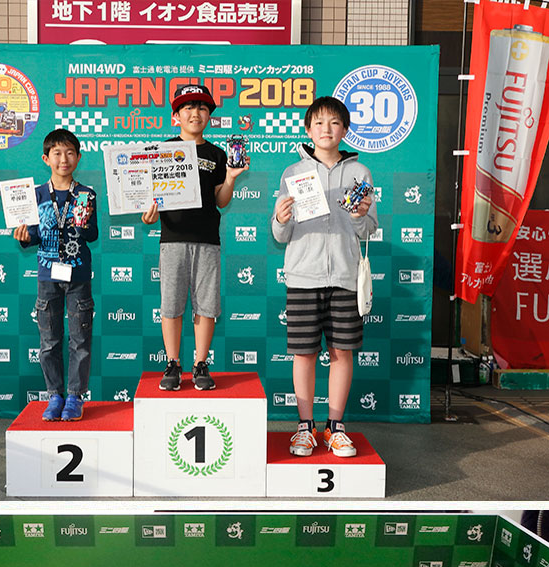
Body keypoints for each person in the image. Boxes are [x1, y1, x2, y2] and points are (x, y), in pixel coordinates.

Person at [271, 96, 377, 457]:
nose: (326, 129)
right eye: (318, 122)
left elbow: (369, 229)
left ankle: (335, 426)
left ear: (345, 130)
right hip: (303, 276)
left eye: (334, 123)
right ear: (308, 129)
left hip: (345, 276)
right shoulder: (293, 173)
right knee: (304, 354)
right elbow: (280, 234)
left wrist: (360, 216)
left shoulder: (361, 174)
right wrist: (281, 218)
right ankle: (305, 427)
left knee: (341, 352)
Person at [142, 84, 248, 391]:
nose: (195, 113)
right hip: (172, 239)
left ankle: (201, 363)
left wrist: (230, 178)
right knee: (171, 304)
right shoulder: (162, 151)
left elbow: (221, 200)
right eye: (187, 107)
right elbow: (149, 201)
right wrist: (147, 215)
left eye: (202, 107)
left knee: (206, 305)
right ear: (175, 116)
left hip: (207, 240)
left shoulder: (217, 154)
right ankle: (172, 363)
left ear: (209, 116)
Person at [14, 128, 98, 421]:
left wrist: (83, 224)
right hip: (47, 277)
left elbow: (93, 234)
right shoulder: (35, 194)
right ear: (46, 158)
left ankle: (75, 397)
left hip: (79, 277)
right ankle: (55, 396)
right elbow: (33, 235)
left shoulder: (86, 194)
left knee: (80, 340)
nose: (64, 159)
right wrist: (25, 237)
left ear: (78, 157)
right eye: (57, 153)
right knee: (49, 342)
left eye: (70, 153)